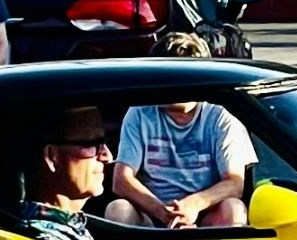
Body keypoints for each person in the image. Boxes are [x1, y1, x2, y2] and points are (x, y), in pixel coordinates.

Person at [107, 33, 257, 228]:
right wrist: (162, 212)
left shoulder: (220, 115)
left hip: (204, 217)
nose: (168, 87)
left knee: (234, 209)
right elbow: (121, 180)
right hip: (152, 217)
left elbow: (234, 183)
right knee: (118, 209)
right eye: (160, 79)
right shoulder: (140, 112)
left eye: (175, 80)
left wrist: (193, 205)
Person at [10, 103, 112, 240]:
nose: (107, 156)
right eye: (90, 143)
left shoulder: (64, 230)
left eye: (104, 142)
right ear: (52, 156)